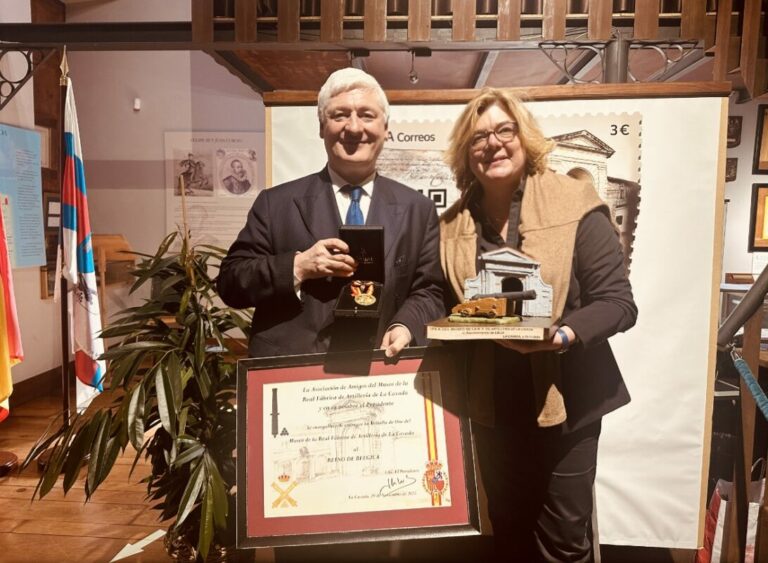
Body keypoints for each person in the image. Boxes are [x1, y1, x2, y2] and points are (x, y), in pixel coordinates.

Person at [440, 88, 638, 561]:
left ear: (524, 137)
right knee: (508, 530)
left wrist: (562, 335)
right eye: (478, 137)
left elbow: (618, 303)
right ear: (466, 153)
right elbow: (437, 297)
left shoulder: (575, 202)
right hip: (492, 405)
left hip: (568, 400)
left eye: (504, 130)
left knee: (564, 540)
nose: (493, 143)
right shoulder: (450, 226)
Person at [217, 68, 443, 360]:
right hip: (294, 371)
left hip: (382, 368)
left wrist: (405, 326)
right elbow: (231, 283)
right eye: (339, 115)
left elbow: (429, 291)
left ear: (386, 128)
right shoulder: (275, 204)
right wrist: (297, 266)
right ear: (322, 127)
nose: (354, 127)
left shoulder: (418, 210)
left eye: (367, 115)